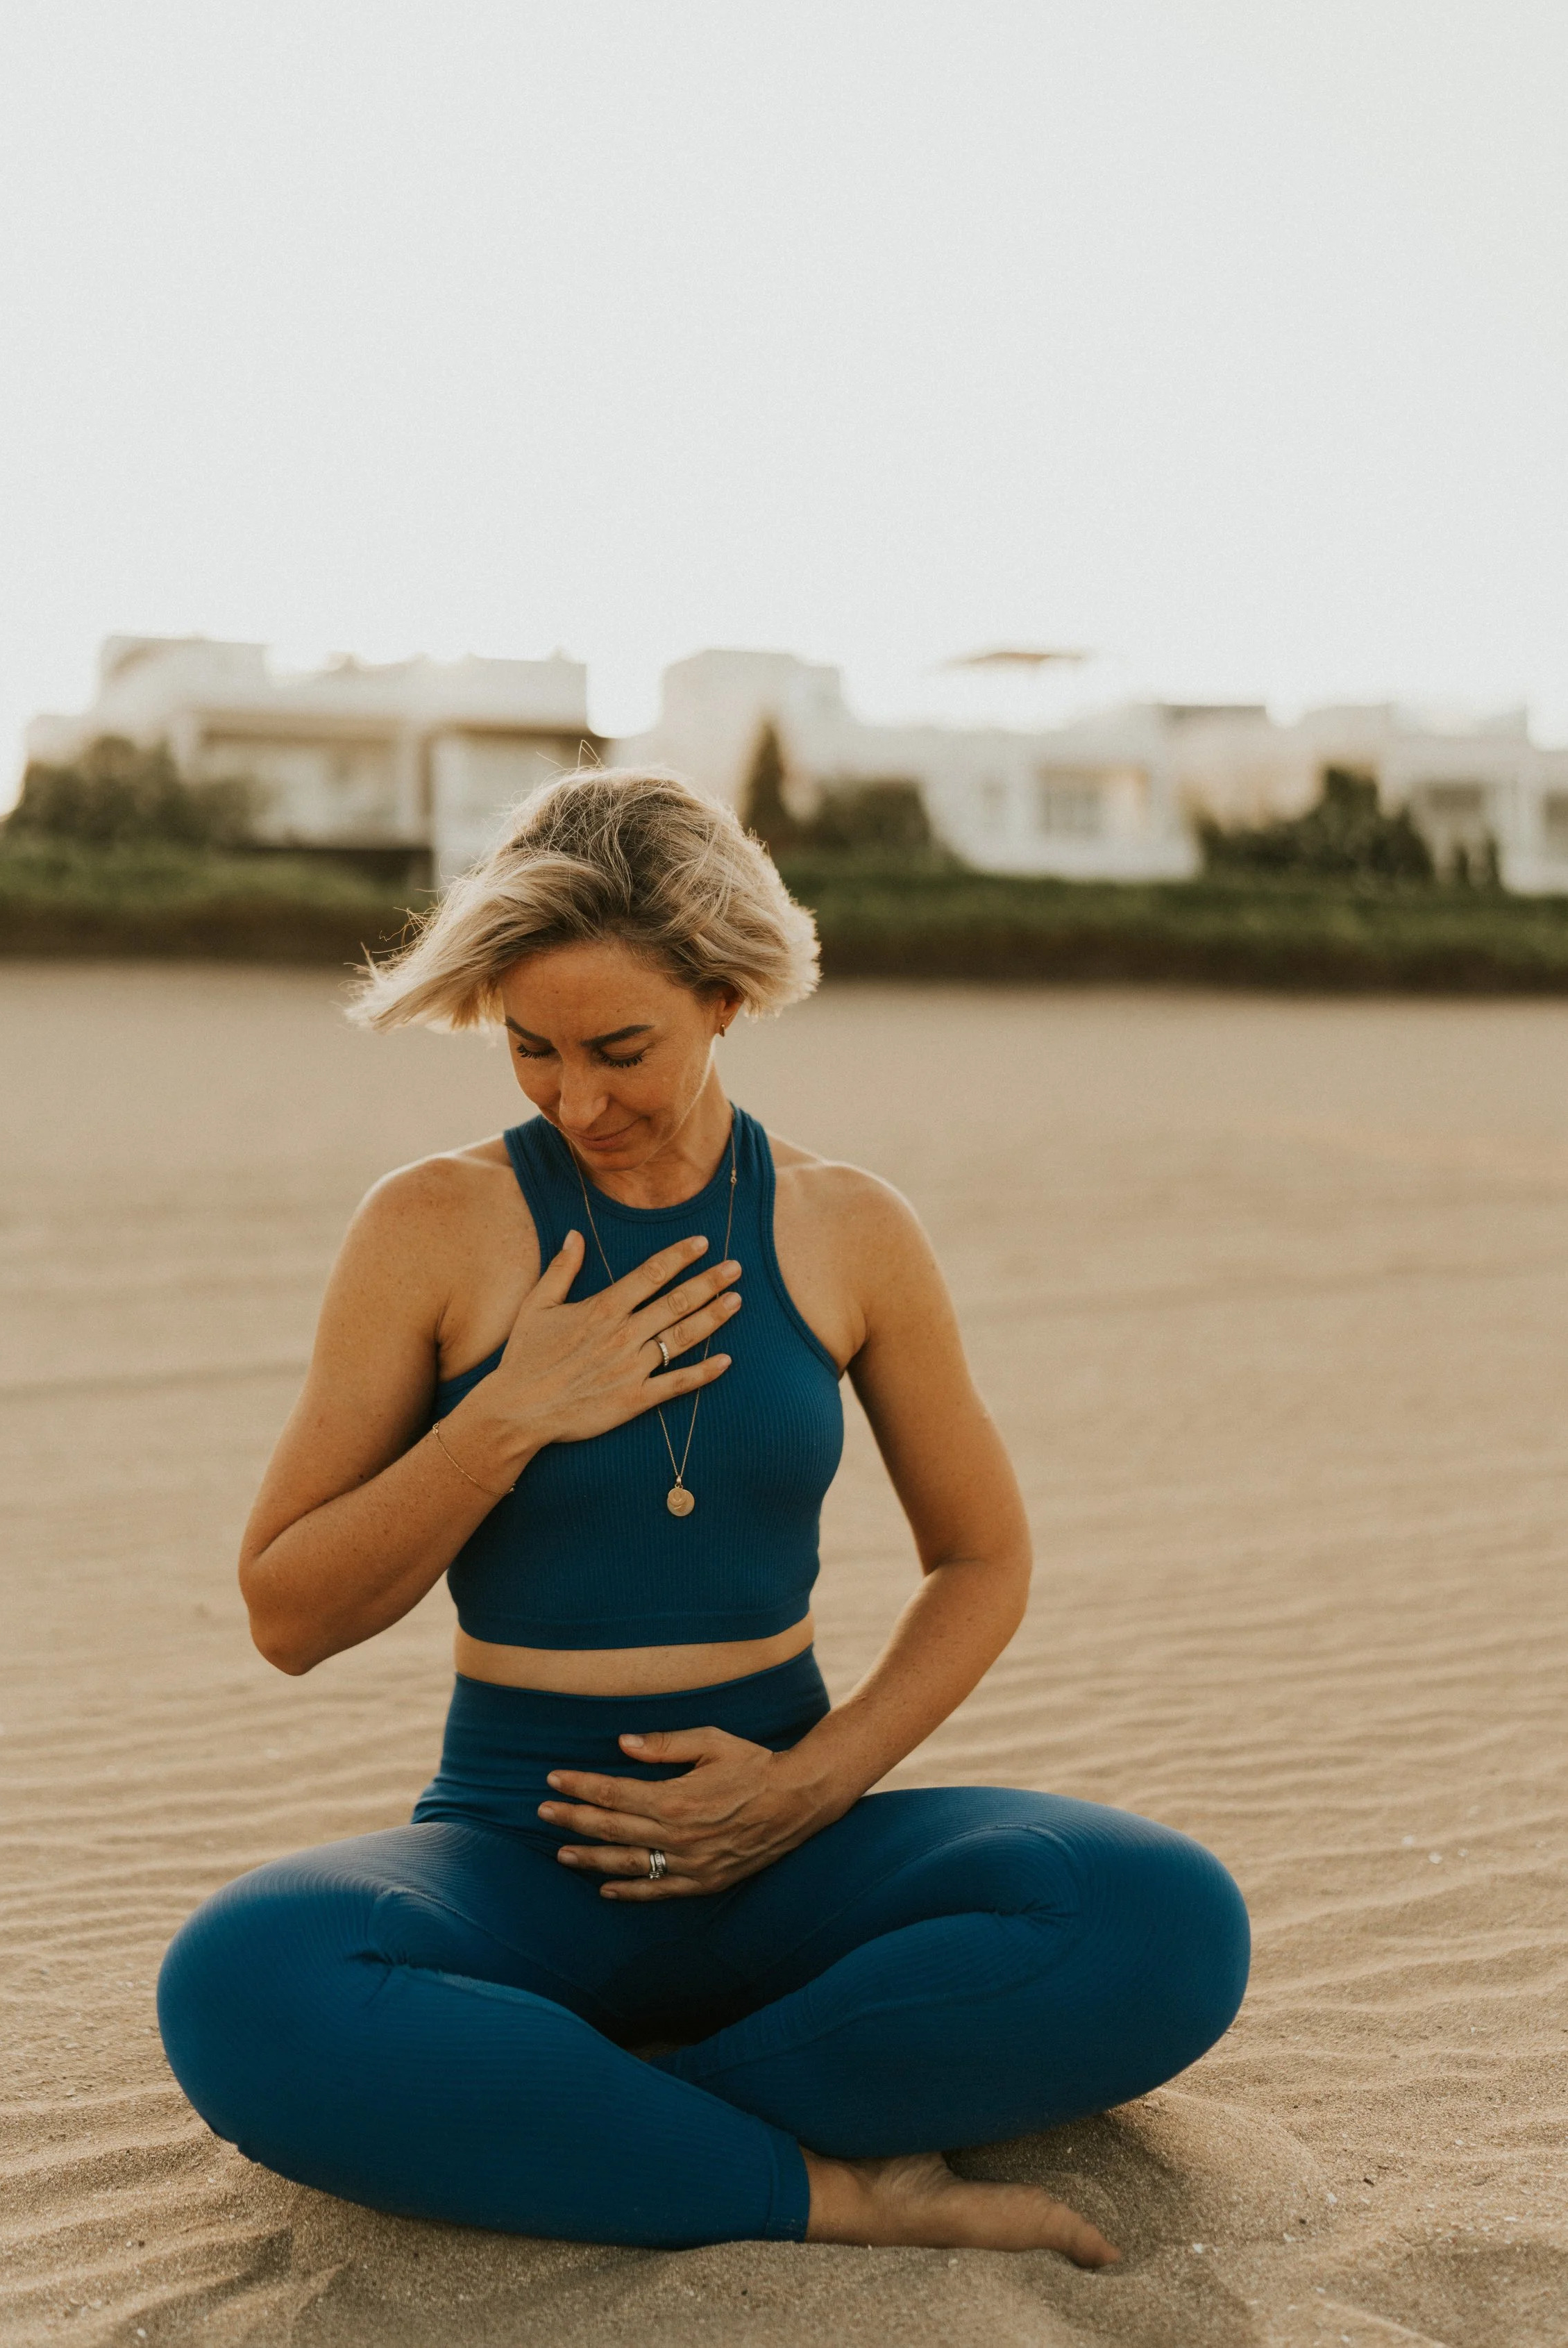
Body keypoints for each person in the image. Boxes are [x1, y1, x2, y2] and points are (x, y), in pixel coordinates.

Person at [157, 768, 1248, 2260]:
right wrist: (508, 1415)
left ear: (727, 997)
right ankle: (815, 2184)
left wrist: (807, 1788)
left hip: (786, 1852)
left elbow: (981, 1558)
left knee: (1164, 1922)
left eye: (620, 1048)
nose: (575, 1099)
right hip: (514, 1857)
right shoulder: (428, 1226)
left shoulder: (847, 1226)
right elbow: (288, 1614)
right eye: (528, 1050)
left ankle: (605, 2117)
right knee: (243, 1982)